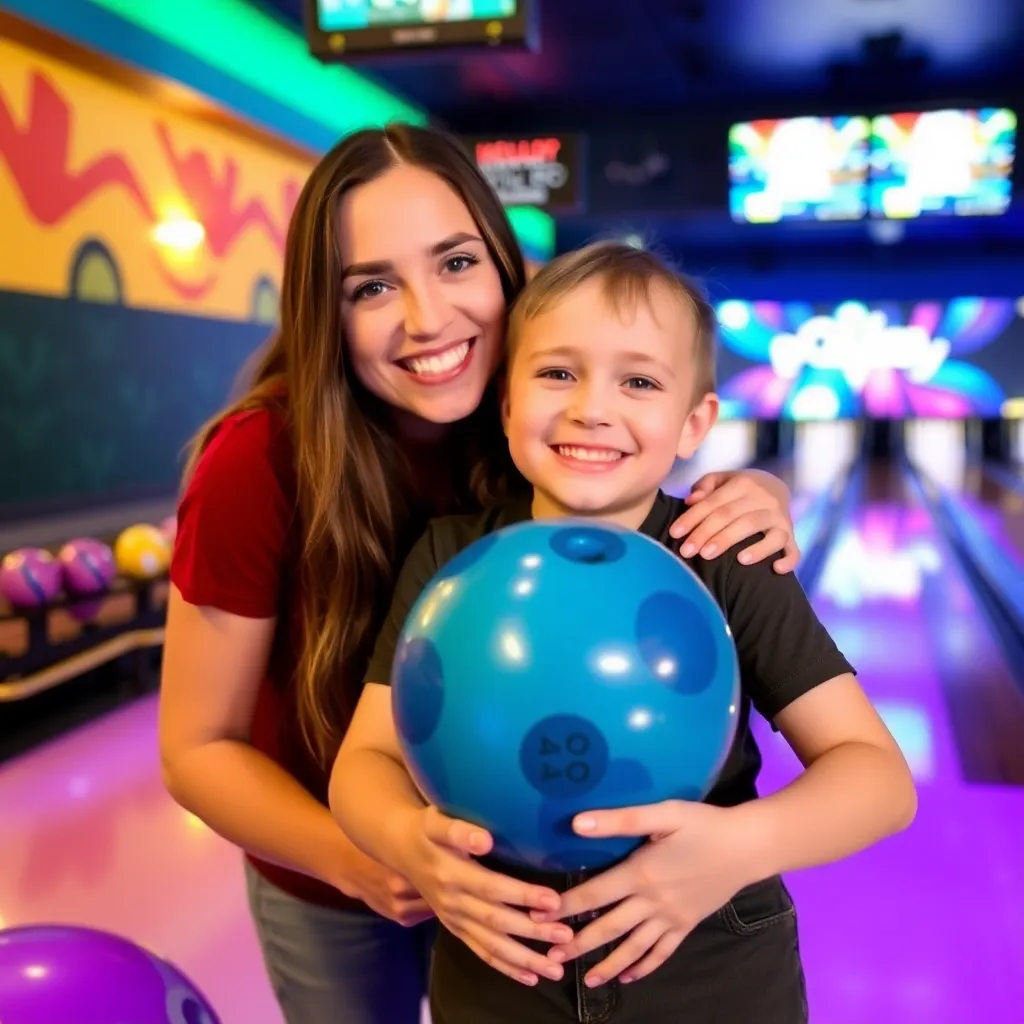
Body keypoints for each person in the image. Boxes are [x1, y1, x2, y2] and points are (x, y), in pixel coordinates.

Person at [158, 124, 802, 1024]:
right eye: (373, 286)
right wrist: (365, 855)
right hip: (338, 869)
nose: (426, 318)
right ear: (325, 312)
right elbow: (196, 749)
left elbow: (634, 529)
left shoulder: (543, 413)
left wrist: (759, 487)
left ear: (505, 266)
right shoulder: (258, 461)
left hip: (530, 866)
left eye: (456, 262)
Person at [329, 240, 917, 1024]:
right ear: (506, 402)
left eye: (638, 381)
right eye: (556, 373)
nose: (590, 408)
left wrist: (741, 847)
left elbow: (878, 780)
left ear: (693, 422)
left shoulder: (725, 560)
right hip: (500, 967)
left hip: (710, 960)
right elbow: (363, 763)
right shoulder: (449, 559)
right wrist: (411, 846)